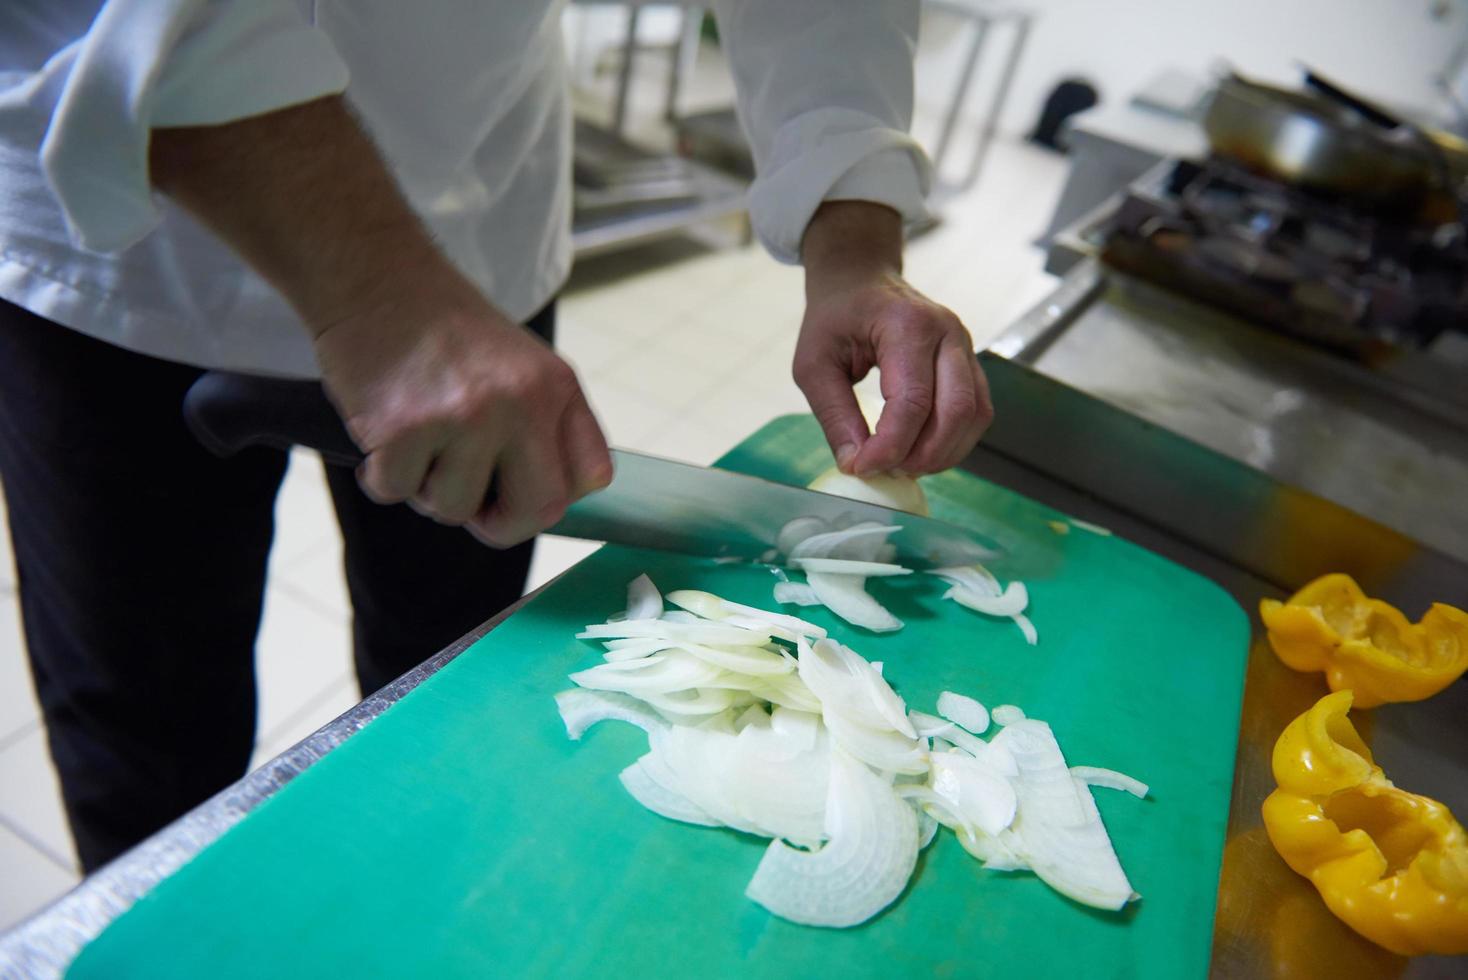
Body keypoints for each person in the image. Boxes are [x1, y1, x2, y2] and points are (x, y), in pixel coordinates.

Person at [0, 1, 993, 872]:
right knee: (148, 741)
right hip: (112, 251)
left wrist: (856, 237)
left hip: (474, 213)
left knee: (448, 691)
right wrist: (382, 293)